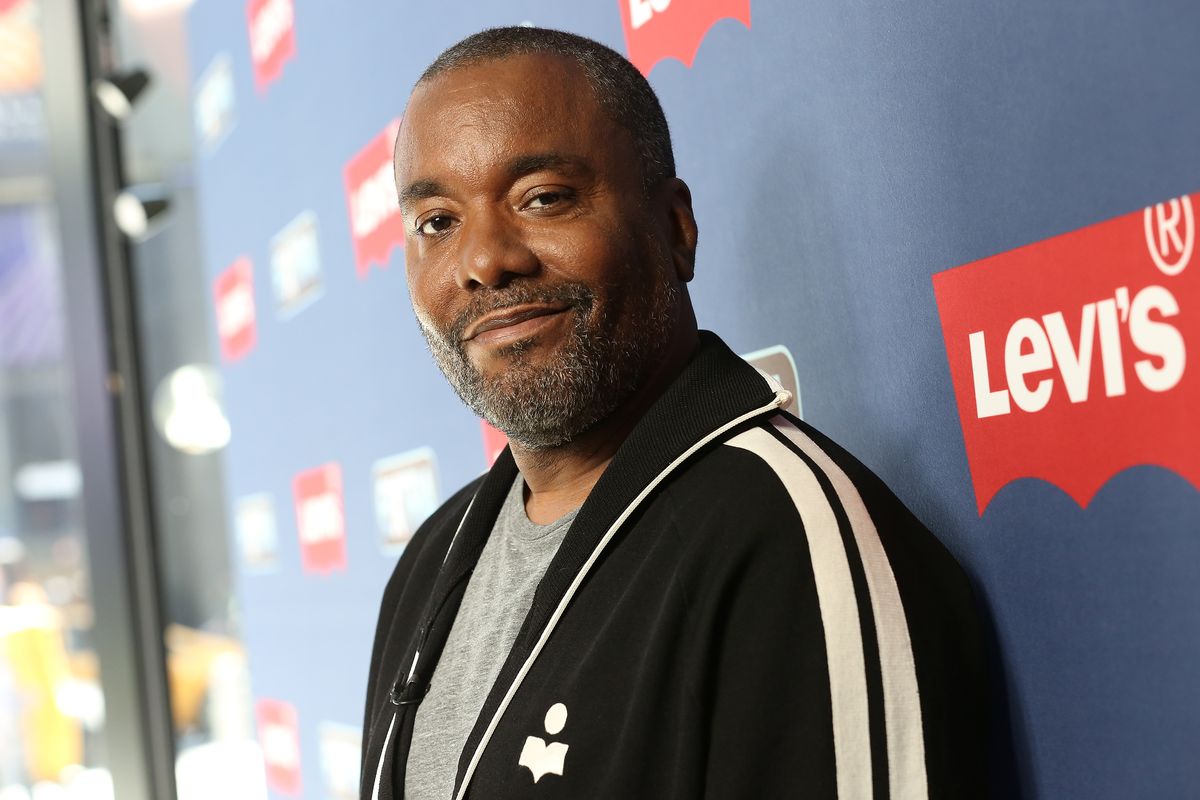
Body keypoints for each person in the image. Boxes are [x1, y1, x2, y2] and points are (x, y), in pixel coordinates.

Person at [361, 26, 984, 800]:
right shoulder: (427, 562)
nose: (487, 260)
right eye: (437, 223)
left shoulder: (783, 533)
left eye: (543, 198)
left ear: (675, 229)